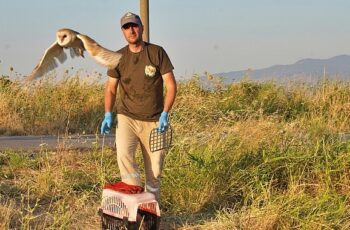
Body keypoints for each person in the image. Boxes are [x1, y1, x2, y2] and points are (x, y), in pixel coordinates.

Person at [100, 12, 177, 202]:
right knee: (124, 156)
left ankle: (151, 209)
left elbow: (171, 85)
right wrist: (108, 114)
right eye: (126, 27)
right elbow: (111, 88)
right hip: (127, 117)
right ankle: (134, 200)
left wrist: (165, 113)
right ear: (123, 32)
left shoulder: (157, 52)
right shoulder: (117, 57)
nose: (131, 30)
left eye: (134, 26)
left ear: (141, 28)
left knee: (155, 170)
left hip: (154, 120)